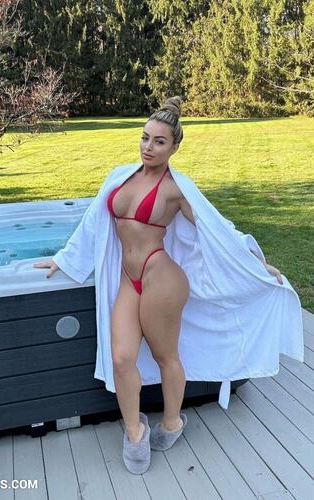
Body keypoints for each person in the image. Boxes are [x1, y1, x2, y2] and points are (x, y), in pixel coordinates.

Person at [34, 96, 301, 475]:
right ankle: (135, 430)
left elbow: (216, 228)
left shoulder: (177, 189)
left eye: (159, 141)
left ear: (174, 147)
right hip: (129, 280)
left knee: (166, 357)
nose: (148, 147)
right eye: (145, 137)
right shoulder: (119, 176)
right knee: (121, 358)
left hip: (161, 279)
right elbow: (93, 221)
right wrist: (63, 258)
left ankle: (173, 422)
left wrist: (256, 264)